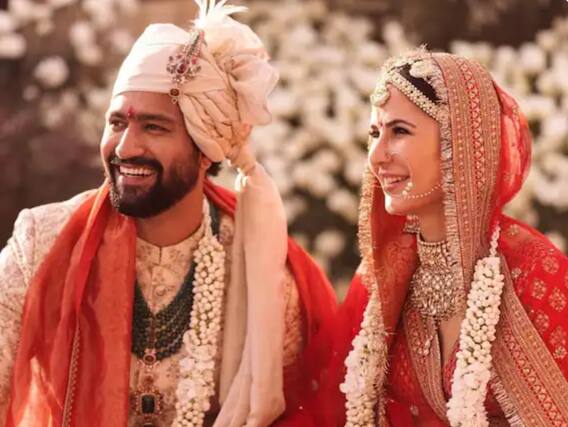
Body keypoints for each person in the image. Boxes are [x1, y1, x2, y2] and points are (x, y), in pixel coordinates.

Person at [0, 2, 336, 426]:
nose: (125, 148)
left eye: (154, 127)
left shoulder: (262, 271)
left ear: (206, 148)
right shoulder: (42, 242)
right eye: (117, 123)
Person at [316, 48, 568, 426]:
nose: (376, 157)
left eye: (399, 131)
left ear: (459, 144)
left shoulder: (534, 273)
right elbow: (326, 404)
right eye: (374, 133)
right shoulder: (386, 276)